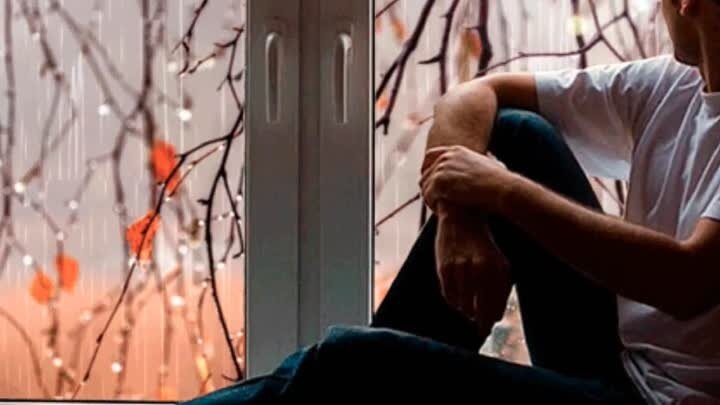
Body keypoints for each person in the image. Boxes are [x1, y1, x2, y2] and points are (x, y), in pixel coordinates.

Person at [183, 0, 720, 403]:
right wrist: (458, 219)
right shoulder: (671, 85)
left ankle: (367, 384)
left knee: (354, 362)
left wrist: (503, 191)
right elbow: (477, 94)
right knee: (518, 134)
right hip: (624, 362)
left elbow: (689, 281)